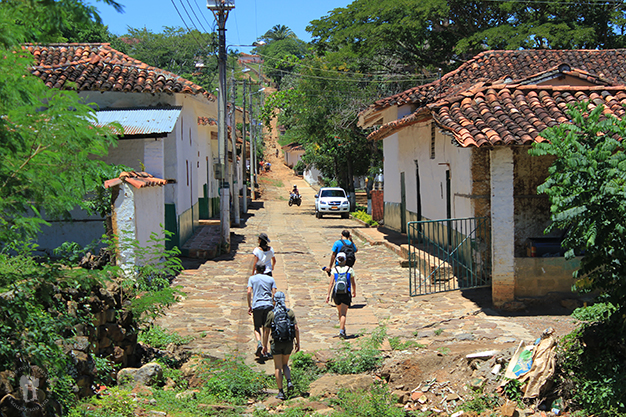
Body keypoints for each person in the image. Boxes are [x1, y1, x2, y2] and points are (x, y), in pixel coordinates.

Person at [263, 291, 300, 400]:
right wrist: (298, 342)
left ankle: (280, 392)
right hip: (288, 342)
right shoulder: (290, 313)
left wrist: (264, 345)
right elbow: (296, 328)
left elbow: (266, 331)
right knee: (285, 364)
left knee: (278, 367)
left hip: (276, 343)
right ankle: (289, 381)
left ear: (274, 300)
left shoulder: (272, 314)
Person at [247, 262, 277, 357]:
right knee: (266, 327)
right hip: (268, 305)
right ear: (264, 269)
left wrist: (249, 305)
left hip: (257, 305)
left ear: (256, 269)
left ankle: (259, 342)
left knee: (257, 327)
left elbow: (248, 292)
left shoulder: (252, 278)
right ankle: (265, 348)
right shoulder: (270, 279)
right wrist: (274, 304)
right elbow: (274, 293)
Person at [325, 252, 356, 339]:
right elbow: (353, 283)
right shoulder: (349, 269)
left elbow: (331, 283)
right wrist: (354, 291)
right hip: (346, 293)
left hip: (336, 294)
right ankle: (342, 331)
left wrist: (328, 294)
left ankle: (342, 328)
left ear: (337, 260)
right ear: (345, 259)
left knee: (340, 312)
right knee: (343, 313)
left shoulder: (334, 270)